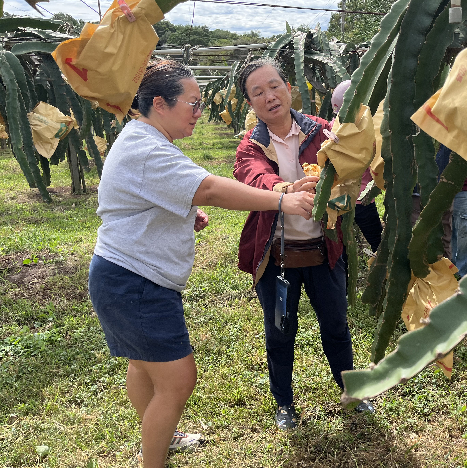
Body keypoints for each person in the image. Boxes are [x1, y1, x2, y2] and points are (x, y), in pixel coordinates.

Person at [88, 60, 314, 468]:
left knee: (144, 367)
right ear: (160, 103)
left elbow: (139, 200)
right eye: (193, 103)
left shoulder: (143, 139)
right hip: (135, 282)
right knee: (177, 381)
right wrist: (283, 199)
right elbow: (208, 188)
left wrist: (180, 214)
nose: (200, 111)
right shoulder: (146, 147)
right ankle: (151, 461)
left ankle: (161, 437)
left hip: (122, 276)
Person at [233, 59, 373, 431]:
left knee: (337, 325)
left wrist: (353, 184)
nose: (269, 96)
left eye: (274, 85)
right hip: (277, 257)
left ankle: (352, 392)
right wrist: (284, 190)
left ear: (289, 86)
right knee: (280, 331)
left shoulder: (324, 131)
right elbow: (253, 177)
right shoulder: (251, 146)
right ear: (250, 103)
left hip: (323, 251)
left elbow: (356, 171)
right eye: (257, 92)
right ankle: (284, 404)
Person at [331, 80, 382, 252]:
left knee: (343, 246)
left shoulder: (332, 129)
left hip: (338, 197)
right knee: (378, 243)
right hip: (363, 198)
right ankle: (383, 272)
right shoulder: (368, 129)